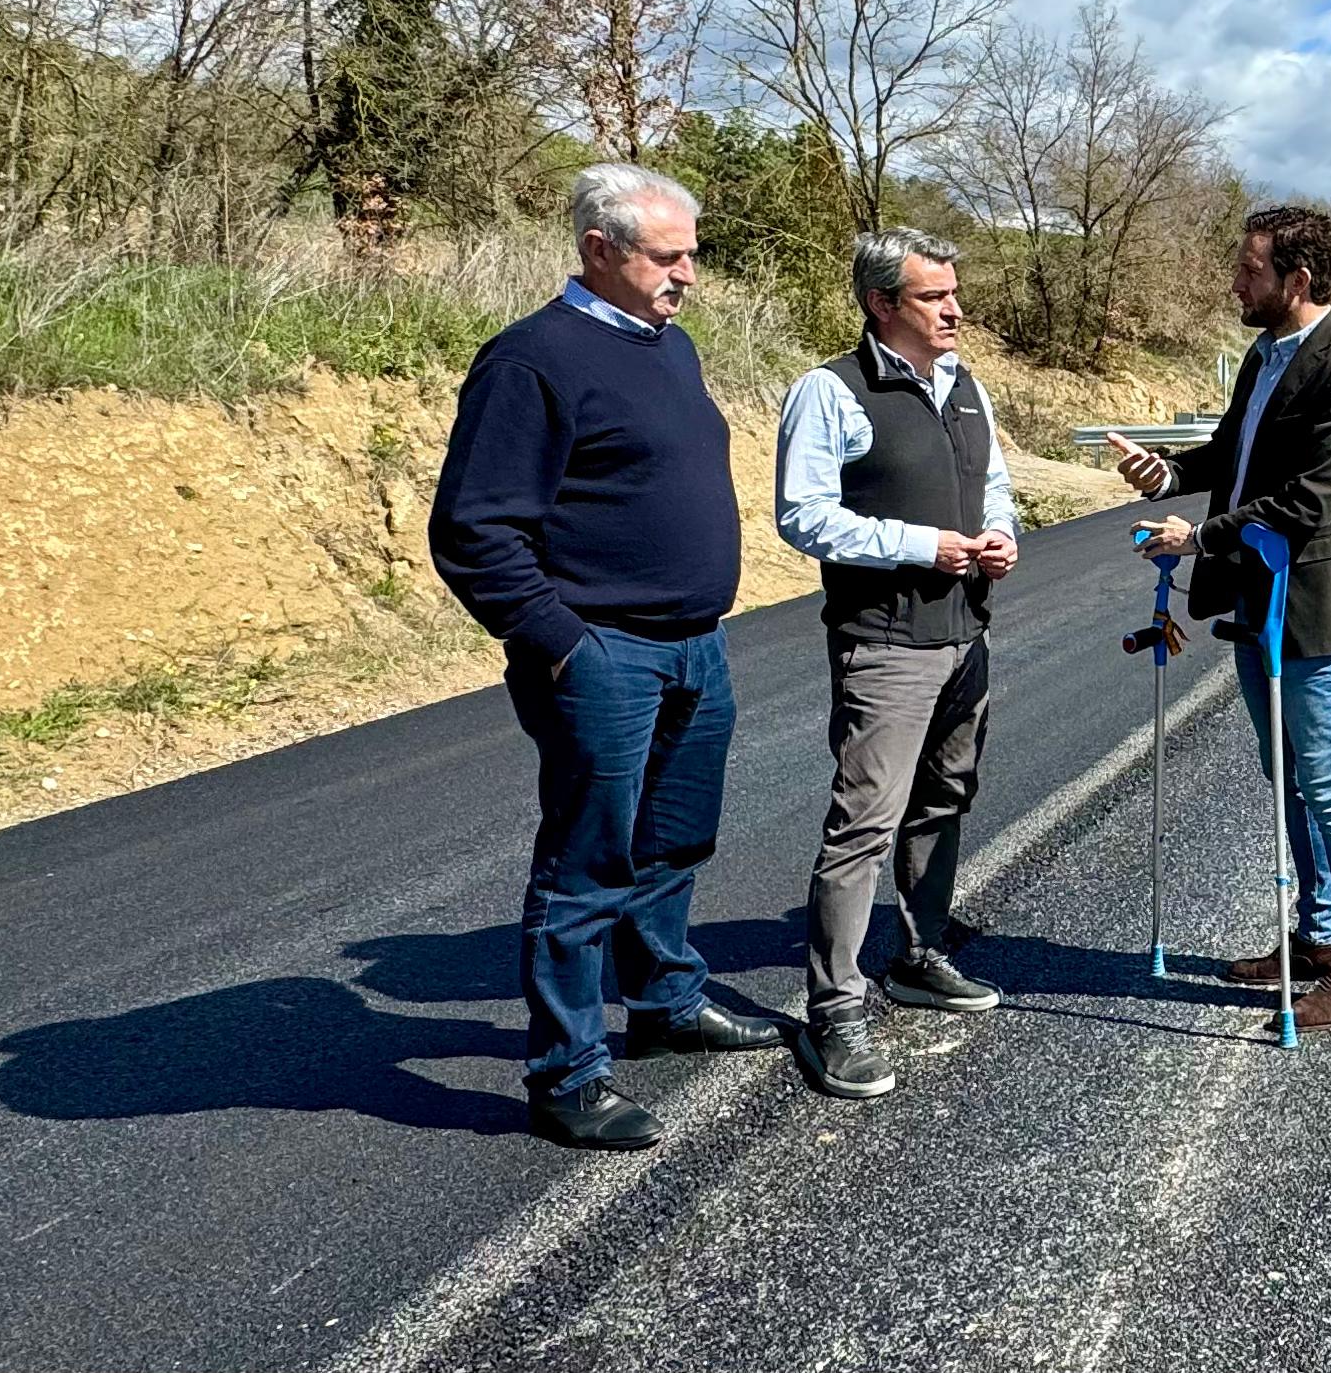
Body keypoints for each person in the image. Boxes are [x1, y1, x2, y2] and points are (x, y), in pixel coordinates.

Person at [428, 164, 780, 1152]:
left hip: (696, 648)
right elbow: (473, 531)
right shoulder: (530, 362)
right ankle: (566, 1075)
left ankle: (665, 1003)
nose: (688, 276)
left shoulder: (673, 350)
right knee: (586, 863)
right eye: (668, 258)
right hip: (603, 655)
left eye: (693, 257)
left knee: (675, 841)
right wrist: (561, 646)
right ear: (598, 251)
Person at [1113, 205, 1331, 1030]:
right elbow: (1232, 456)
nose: (1235, 281)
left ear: (1296, 280)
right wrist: (1165, 474)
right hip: (1251, 598)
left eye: (1249, 269)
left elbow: (1311, 500)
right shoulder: (1263, 355)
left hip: (1315, 606)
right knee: (1290, 782)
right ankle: (1316, 938)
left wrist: (1197, 533)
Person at [773, 229, 1021, 1100]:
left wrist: (998, 539)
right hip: (882, 642)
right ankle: (833, 1009)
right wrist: (924, 546)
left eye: (954, 292)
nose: (954, 308)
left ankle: (919, 955)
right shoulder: (830, 390)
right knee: (863, 826)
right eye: (933, 296)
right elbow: (801, 516)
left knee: (946, 797)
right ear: (883, 305)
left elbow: (992, 489)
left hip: (965, 633)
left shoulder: (964, 387)